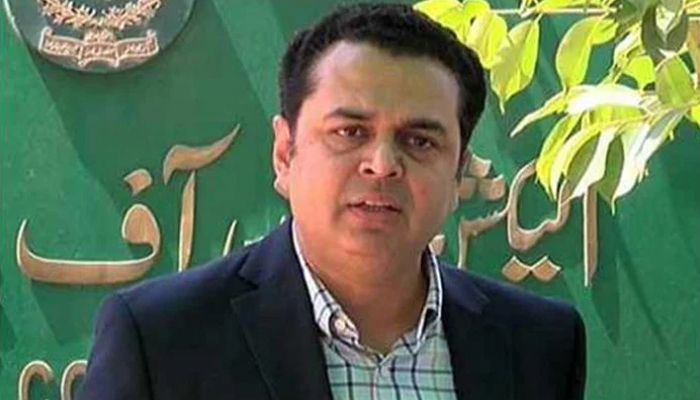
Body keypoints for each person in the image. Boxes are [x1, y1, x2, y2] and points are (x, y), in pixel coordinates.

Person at [77, 3, 586, 400]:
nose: (382, 165)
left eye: (419, 141)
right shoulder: (162, 339)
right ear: (284, 153)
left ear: (458, 174)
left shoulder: (538, 345)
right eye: (350, 132)